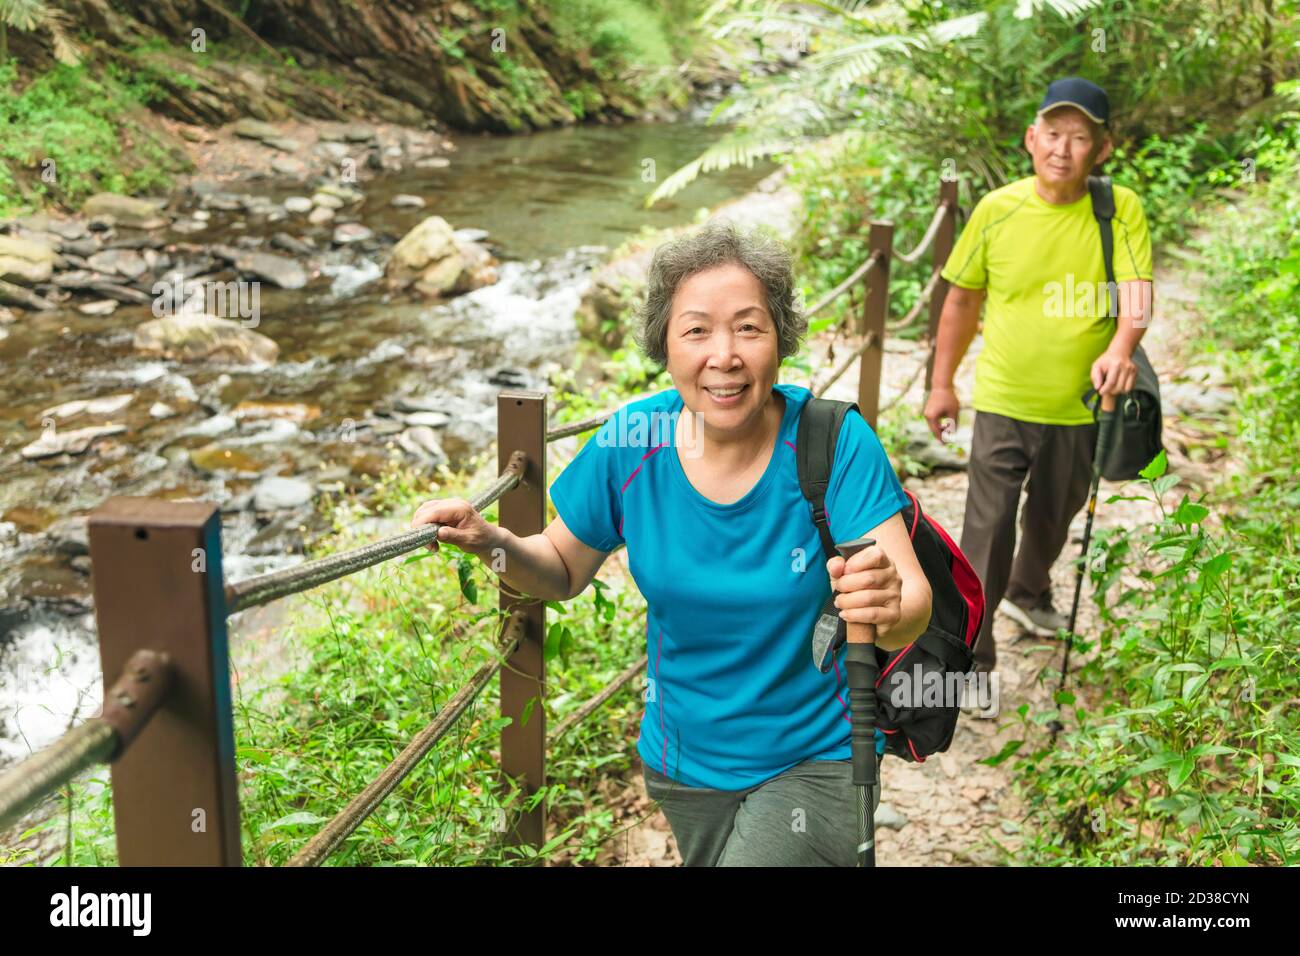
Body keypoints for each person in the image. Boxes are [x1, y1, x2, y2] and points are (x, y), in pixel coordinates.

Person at [411, 219, 933, 866]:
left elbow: (910, 604)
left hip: (817, 758)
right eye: (696, 330)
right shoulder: (633, 442)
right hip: (684, 767)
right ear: (665, 343)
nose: (724, 355)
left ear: (780, 339)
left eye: (748, 326)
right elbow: (559, 572)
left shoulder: (834, 443)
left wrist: (885, 602)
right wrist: (488, 540)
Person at [923, 77, 1154, 674]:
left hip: (1084, 404)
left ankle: (1027, 593)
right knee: (988, 528)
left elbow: (1138, 294)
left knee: (1054, 516)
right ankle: (971, 659)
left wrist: (1123, 346)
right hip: (1004, 399)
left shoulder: (1118, 207)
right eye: (1053, 134)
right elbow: (961, 302)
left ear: (1101, 150)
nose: (1062, 148)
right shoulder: (998, 211)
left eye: (1080, 138)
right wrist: (942, 383)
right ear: (1031, 138)